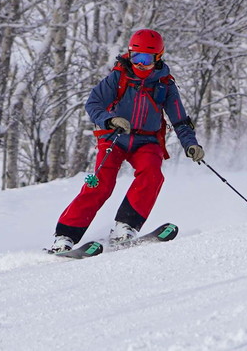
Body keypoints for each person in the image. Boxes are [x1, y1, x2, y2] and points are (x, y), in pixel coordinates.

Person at [49, 28, 203, 252]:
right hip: (115, 138)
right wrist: (110, 120)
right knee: (101, 183)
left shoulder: (165, 85)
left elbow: (180, 120)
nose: (140, 64)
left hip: (147, 141)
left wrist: (190, 144)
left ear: (157, 58)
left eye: (146, 59)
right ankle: (65, 237)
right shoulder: (118, 77)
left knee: (152, 174)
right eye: (136, 57)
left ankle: (126, 227)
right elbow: (93, 104)